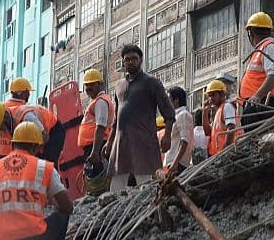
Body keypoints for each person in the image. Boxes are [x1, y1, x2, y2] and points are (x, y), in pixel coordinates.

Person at [105, 44, 175, 193]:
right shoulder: (119, 86)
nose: (131, 62)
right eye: (127, 59)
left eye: (134, 59)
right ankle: (116, 216)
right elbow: (117, 117)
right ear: (123, 62)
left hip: (143, 141)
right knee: (115, 189)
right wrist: (110, 141)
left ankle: (149, 215)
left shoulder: (151, 82)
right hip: (121, 142)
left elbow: (168, 111)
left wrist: (167, 135)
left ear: (141, 60)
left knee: (146, 187)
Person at [239, 12, 274, 129]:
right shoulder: (261, 49)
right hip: (257, 104)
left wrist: (258, 96)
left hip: (265, 104)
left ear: (251, 32)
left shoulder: (269, 47)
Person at [4, 77, 64, 163]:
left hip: (54, 130)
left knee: (47, 162)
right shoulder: (24, 113)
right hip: (42, 130)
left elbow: (44, 136)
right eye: (28, 92)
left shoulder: (14, 110)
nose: (29, 95)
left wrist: (37, 152)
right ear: (23, 93)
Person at [79, 68, 114, 169]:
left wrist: (95, 153)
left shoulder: (101, 102)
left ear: (100, 84)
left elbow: (100, 127)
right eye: (86, 85)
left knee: (98, 181)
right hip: (94, 146)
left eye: (92, 84)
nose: (88, 87)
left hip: (97, 147)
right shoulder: (96, 101)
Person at [204, 79, 240, 156]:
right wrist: (205, 111)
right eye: (209, 96)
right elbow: (207, 132)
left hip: (226, 155)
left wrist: (224, 153)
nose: (210, 98)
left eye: (213, 95)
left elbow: (231, 128)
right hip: (216, 156)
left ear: (222, 94)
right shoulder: (218, 111)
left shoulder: (227, 107)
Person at [163, 86, 193, 176]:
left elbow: (184, 141)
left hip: (178, 164)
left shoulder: (183, 115)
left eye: (169, 100)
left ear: (176, 100)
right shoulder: (176, 116)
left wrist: (175, 162)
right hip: (173, 162)